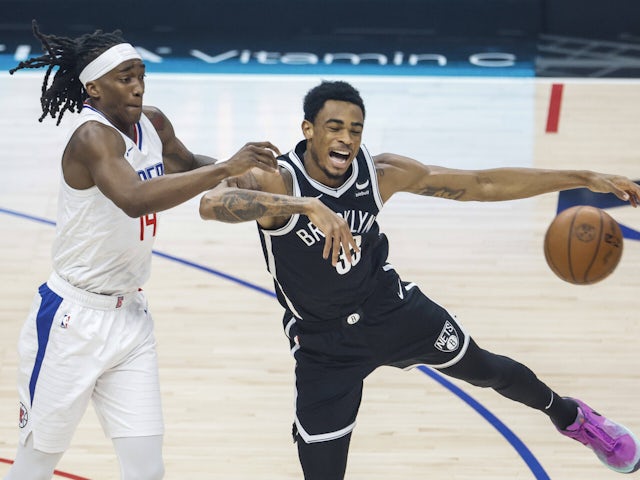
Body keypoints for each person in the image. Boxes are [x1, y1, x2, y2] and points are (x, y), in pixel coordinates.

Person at [199, 80, 640, 479]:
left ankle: (572, 418)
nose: (346, 139)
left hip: (389, 309)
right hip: (323, 344)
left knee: (484, 368)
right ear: (308, 129)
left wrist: (582, 178)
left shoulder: (380, 173)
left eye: (355, 129)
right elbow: (212, 203)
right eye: (334, 127)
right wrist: (308, 207)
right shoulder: (278, 179)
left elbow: (482, 184)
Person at [4, 21, 279, 480]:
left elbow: (190, 168)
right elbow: (134, 199)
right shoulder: (92, 138)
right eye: (124, 78)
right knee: (36, 464)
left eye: (141, 75)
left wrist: (257, 181)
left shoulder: (152, 124)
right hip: (71, 320)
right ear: (93, 87)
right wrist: (227, 167)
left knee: (147, 470)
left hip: (130, 318)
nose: (137, 87)